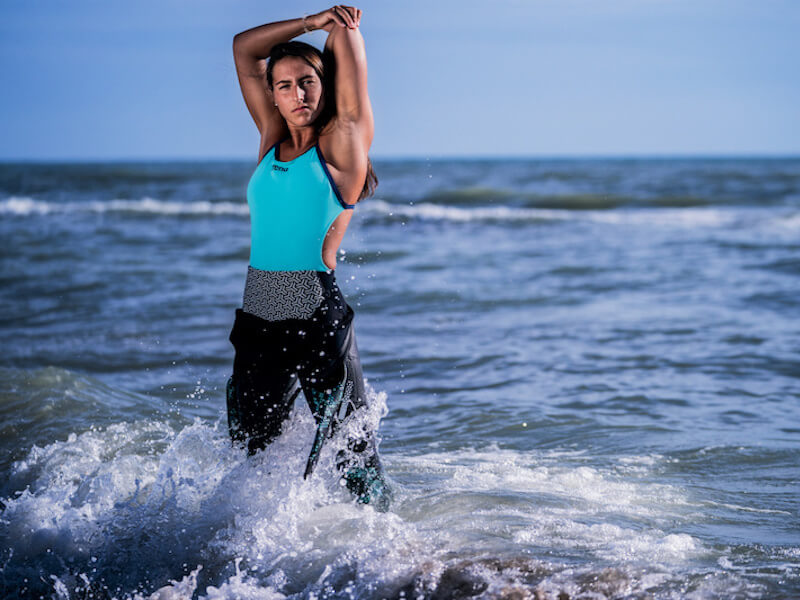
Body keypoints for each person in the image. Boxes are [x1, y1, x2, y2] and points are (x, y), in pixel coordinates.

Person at [225, 5, 391, 510]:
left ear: (325, 84)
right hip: (258, 317)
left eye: (307, 82)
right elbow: (243, 48)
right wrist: (308, 22)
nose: (296, 94)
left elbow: (347, 39)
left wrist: (336, 27)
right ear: (271, 93)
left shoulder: (342, 142)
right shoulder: (272, 139)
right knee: (249, 453)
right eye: (284, 85)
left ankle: (398, 559)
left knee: (353, 458)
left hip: (315, 316)